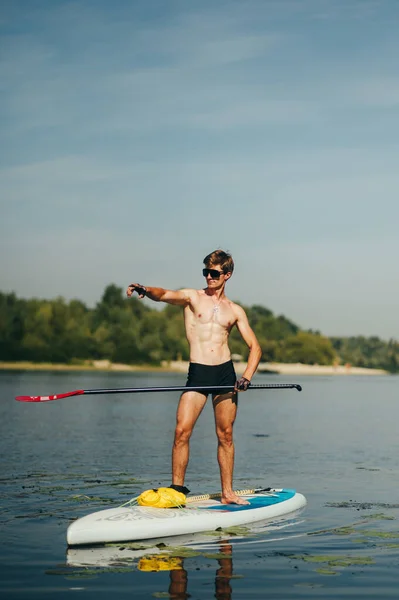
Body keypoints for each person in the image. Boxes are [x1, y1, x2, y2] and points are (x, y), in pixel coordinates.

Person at [126, 250, 262, 505]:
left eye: (214, 273)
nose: (209, 277)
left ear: (227, 275)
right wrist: (145, 290)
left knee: (226, 435)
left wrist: (246, 377)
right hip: (198, 373)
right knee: (181, 432)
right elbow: (165, 294)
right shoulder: (192, 297)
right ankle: (177, 490)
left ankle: (227, 493)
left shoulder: (235, 311)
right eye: (206, 272)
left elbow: (255, 347)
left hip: (224, 373)